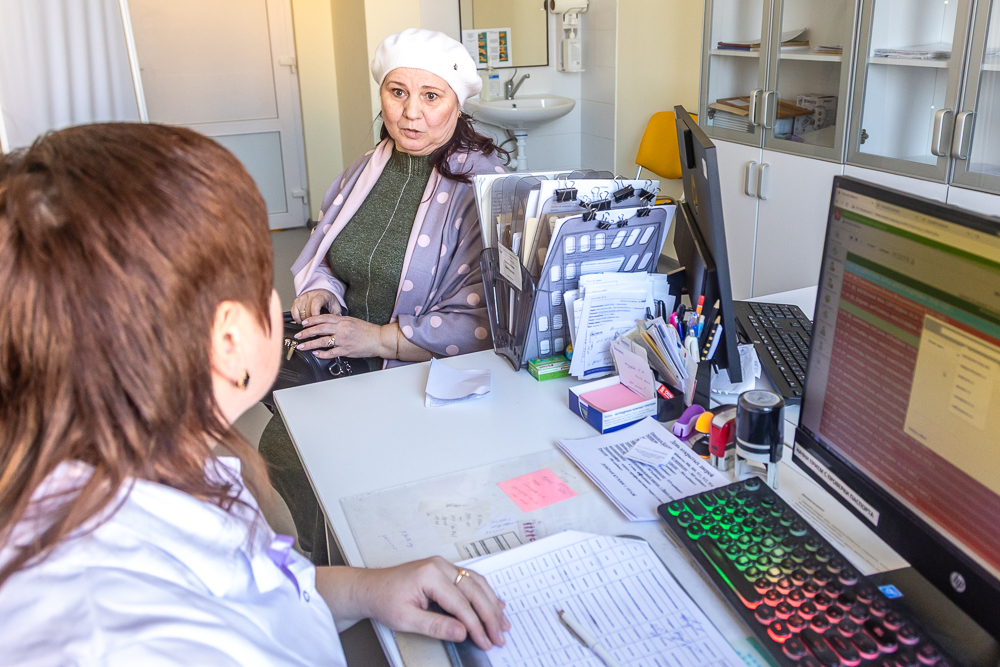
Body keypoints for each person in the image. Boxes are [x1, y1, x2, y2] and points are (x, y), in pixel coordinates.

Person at [0, 123, 508, 665]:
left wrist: (364, 589)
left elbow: (258, 588)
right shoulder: (132, 641)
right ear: (230, 340)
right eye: (260, 278)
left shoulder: (138, 475)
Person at [260, 28, 510, 559]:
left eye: (431, 96)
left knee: (319, 455)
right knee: (281, 445)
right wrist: (322, 289)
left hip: (416, 368)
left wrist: (376, 339)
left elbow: (485, 316)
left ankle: (368, 567)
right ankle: (328, 560)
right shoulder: (369, 168)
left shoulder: (483, 187)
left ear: (457, 106)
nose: (410, 114)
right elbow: (327, 244)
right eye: (397, 92)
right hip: (344, 351)